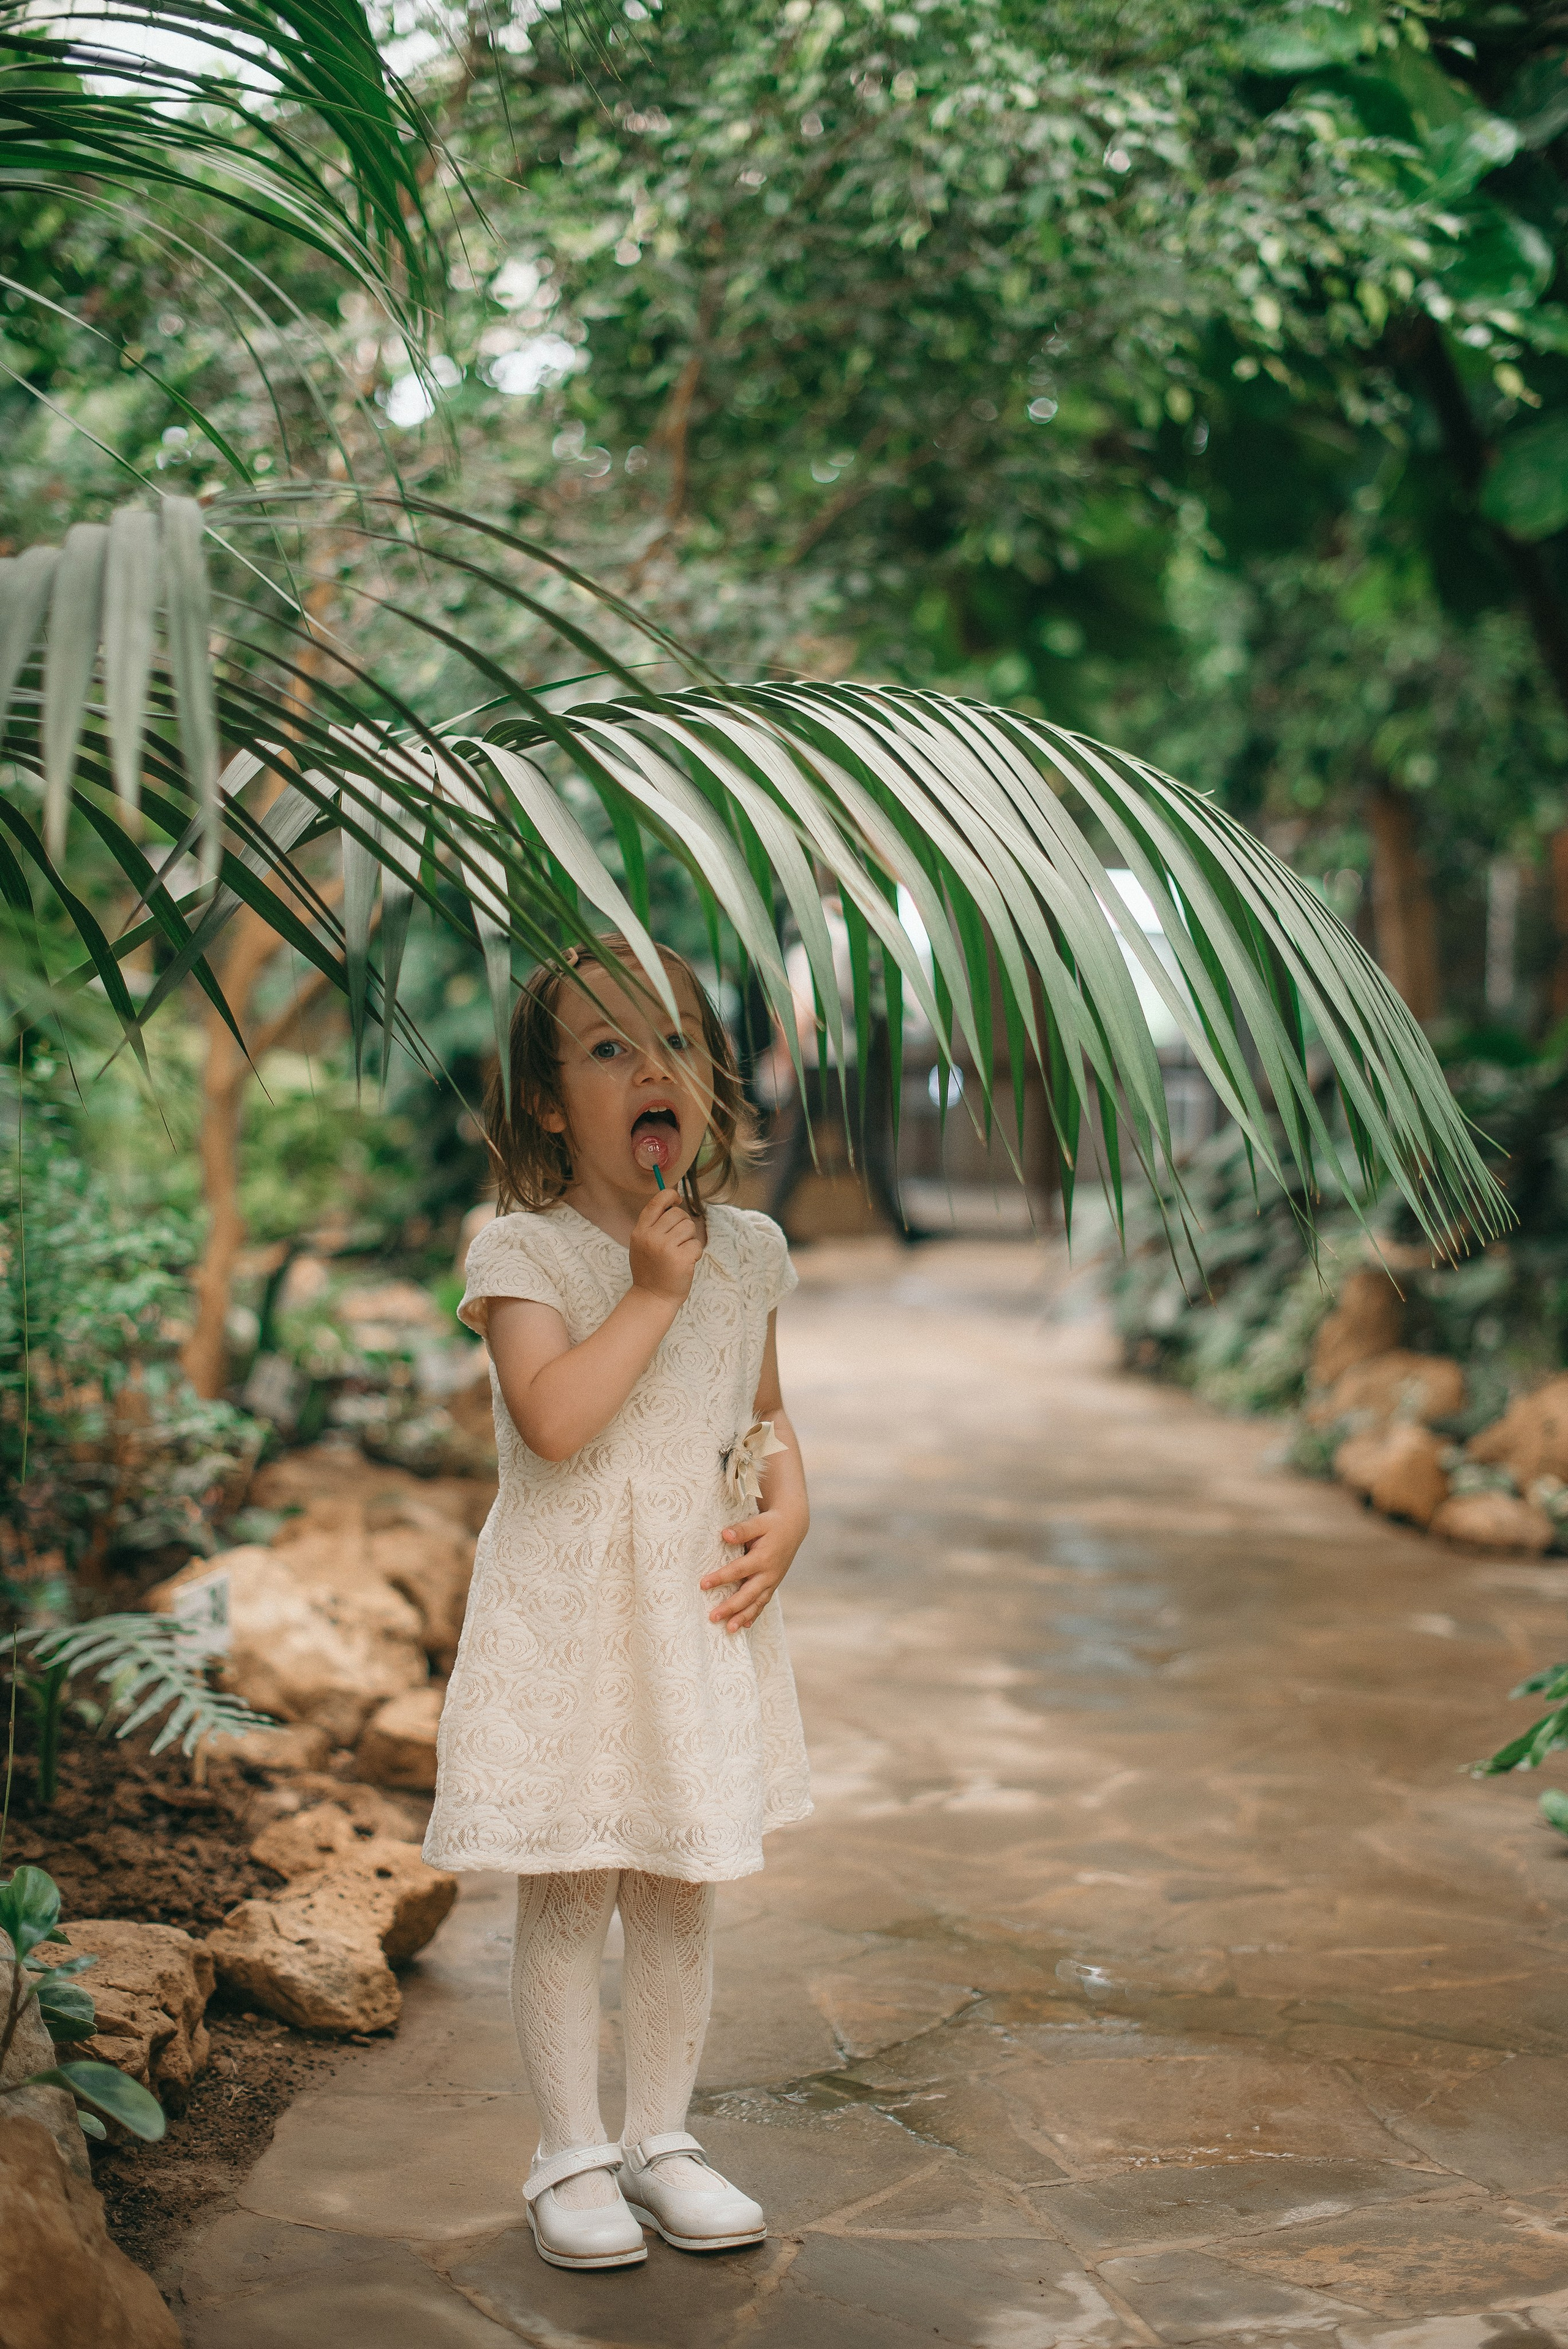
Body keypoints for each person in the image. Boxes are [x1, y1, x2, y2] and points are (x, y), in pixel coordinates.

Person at [423, 934, 812, 2273]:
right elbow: (552, 1423)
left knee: (678, 1877)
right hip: (574, 1617)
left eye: (677, 1045)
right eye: (607, 1049)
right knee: (575, 1877)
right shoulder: (521, 1249)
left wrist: (792, 1510)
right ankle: (569, 2154)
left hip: (690, 1614)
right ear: (546, 1103)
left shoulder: (747, 1250)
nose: (653, 1068)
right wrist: (651, 1291)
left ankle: (660, 2138)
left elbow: (760, 1418)